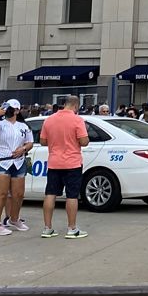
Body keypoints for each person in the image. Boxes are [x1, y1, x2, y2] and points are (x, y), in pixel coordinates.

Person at [40, 96, 90, 239]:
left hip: (54, 162)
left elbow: (43, 141)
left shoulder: (49, 120)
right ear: (75, 106)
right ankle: (72, 228)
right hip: (72, 162)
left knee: (50, 193)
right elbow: (84, 141)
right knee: (72, 195)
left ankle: (47, 228)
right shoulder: (77, 120)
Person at [0, 99, 34, 236]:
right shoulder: (1, 124)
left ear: (17, 110)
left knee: (18, 194)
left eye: (11, 109)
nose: (8, 111)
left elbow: (30, 142)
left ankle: (14, 218)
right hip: (1, 161)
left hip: (18, 161)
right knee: (1, 194)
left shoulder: (23, 126)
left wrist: (24, 148)